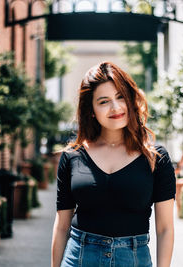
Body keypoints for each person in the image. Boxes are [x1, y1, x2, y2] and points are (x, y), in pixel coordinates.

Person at [51, 62, 175, 267]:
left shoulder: (155, 157)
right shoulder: (72, 156)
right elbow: (62, 226)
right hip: (78, 259)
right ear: (91, 109)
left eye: (120, 97)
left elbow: (165, 229)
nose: (115, 107)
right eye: (103, 101)